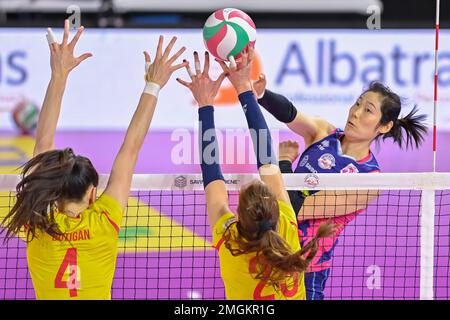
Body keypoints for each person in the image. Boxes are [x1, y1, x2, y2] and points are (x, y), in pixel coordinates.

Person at [1, 20, 187, 299]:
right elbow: (130, 149)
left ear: (55, 190)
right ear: (92, 194)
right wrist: (154, 85)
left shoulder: (38, 223)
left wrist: (59, 75)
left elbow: (42, 144)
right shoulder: (104, 221)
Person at [177, 49, 336, 300]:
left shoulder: (233, 241)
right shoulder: (285, 225)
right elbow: (256, 162)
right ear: (274, 210)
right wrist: (243, 88)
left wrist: (206, 104)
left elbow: (213, 171)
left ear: (238, 216)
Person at [252, 74, 428, 299]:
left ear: (384, 126)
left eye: (368, 110)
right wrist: (261, 94)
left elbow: (293, 209)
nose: (355, 112)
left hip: (306, 270)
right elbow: (291, 113)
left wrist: (284, 162)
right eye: (357, 103)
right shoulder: (324, 133)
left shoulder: (369, 180)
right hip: (270, 253)